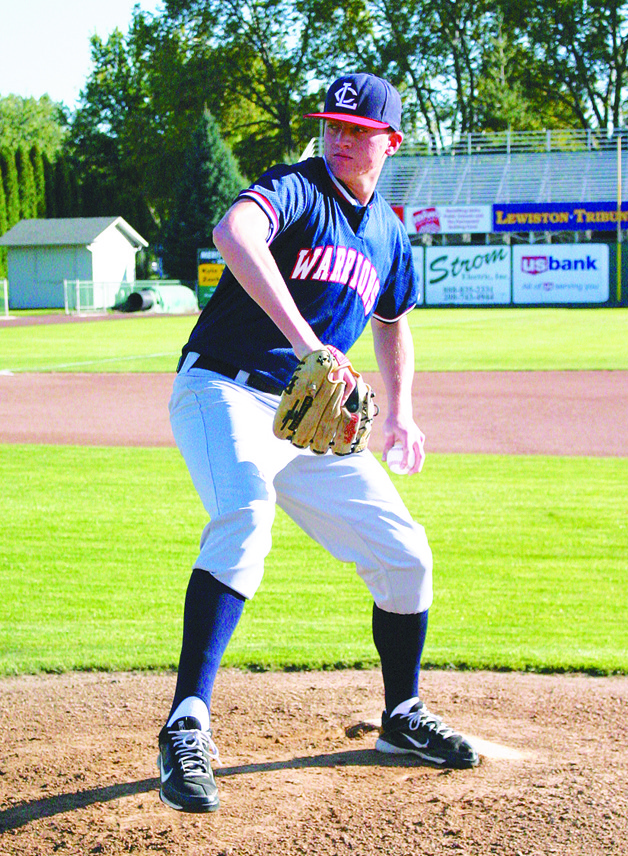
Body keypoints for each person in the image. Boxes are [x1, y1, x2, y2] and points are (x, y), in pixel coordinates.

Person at [158, 72, 479, 814]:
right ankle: (186, 724)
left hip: (312, 420)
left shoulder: (390, 235)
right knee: (245, 515)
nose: (341, 137)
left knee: (406, 555)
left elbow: (394, 322)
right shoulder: (297, 187)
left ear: (390, 142)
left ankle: (401, 717)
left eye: (359, 130)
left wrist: (402, 414)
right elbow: (233, 233)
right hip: (225, 389)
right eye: (333, 124)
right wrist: (312, 346)